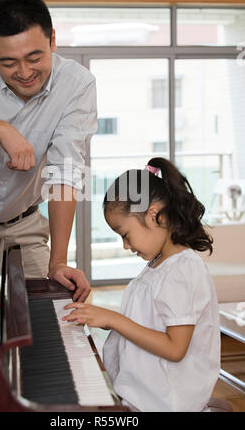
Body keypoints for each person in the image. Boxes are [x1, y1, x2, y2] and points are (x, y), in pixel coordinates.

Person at [0, 0, 97, 302]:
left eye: (34, 58)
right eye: (9, 63)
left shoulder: (77, 85)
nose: (25, 73)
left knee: (42, 319)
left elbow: (64, 174)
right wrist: (0, 129)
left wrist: (58, 261)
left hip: (23, 228)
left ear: (53, 40)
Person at [63, 157, 220, 412]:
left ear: (154, 214)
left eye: (124, 234)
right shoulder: (161, 264)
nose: (125, 245)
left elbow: (175, 348)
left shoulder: (183, 269)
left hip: (165, 403)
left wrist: (111, 319)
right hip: (143, 397)